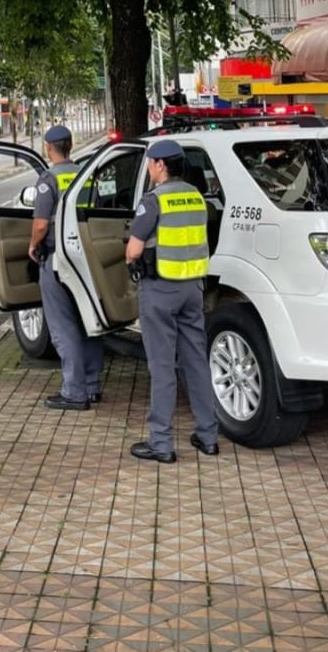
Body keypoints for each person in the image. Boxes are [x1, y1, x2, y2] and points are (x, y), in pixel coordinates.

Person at [125, 137, 219, 462]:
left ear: (161, 165)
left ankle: (161, 443)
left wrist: (131, 263)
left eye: (151, 163)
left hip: (160, 290)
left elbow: (134, 249)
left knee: (162, 367)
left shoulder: (154, 201)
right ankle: (208, 436)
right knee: (196, 362)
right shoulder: (196, 197)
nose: (149, 168)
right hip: (193, 288)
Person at [28, 124, 104, 411]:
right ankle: (92, 385)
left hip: (57, 259)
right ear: (70, 146)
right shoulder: (85, 174)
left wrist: (33, 246)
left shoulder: (48, 179)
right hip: (85, 257)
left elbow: (41, 223)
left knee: (63, 325)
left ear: (49, 148)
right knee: (89, 321)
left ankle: (74, 391)